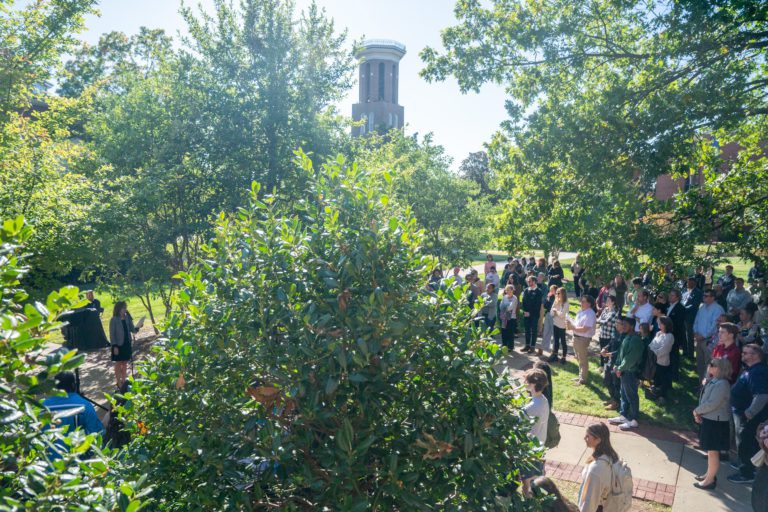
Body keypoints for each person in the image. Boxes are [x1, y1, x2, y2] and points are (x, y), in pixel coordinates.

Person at [728, 343, 768, 484]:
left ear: (755, 356)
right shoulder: (751, 369)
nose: (742, 355)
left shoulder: (757, 372)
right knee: (744, 442)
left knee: (746, 443)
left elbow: (762, 396)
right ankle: (743, 463)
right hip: (743, 413)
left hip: (750, 417)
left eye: (745, 353)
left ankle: (746, 473)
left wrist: (748, 414)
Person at [692, 357, 733, 490]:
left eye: (712, 364)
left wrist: (697, 411)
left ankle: (709, 481)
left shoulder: (722, 384)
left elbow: (713, 403)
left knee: (713, 452)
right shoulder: (714, 381)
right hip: (711, 420)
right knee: (710, 451)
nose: (709, 366)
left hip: (716, 423)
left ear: (720, 368)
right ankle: (709, 474)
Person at [42, 371, 104, 457]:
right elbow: (96, 434)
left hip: (48, 462)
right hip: (76, 460)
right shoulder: (84, 405)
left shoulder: (43, 406)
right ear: (74, 385)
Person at [609, 316, 643, 430]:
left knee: (631, 396)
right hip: (624, 371)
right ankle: (623, 416)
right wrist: (617, 365)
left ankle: (633, 420)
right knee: (623, 394)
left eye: (625, 325)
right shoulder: (627, 337)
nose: (622, 326)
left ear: (632, 326)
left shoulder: (636, 340)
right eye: (622, 324)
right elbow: (621, 354)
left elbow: (630, 359)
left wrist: (620, 368)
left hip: (630, 373)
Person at [577, 422, 619, 512]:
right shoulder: (610, 455)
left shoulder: (595, 470)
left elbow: (590, 501)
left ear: (598, 440)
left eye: (588, 436)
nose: (584, 438)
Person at [522, 368, 550, 495]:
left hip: (529, 448)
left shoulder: (531, 407)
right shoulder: (543, 400)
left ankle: (528, 502)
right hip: (539, 445)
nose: (524, 383)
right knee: (537, 479)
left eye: (526, 381)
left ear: (533, 384)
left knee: (527, 484)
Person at [693, 290, 726, 377]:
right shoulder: (702, 307)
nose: (704, 297)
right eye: (703, 295)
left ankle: (708, 383)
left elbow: (714, 326)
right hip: (698, 339)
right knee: (700, 363)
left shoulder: (718, 309)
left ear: (713, 298)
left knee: (709, 364)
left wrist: (703, 336)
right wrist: (695, 332)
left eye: (706, 296)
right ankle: (701, 382)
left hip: (709, 340)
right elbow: (696, 320)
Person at [566, 295, 597, 385]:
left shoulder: (590, 314)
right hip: (576, 337)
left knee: (583, 359)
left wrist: (572, 327)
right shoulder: (580, 312)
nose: (581, 303)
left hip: (583, 339)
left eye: (583, 301)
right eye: (581, 301)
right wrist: (570, 322)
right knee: (578, 358)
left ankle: (583, 379)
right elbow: (576, 324)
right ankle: (581, 376)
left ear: (589, 304)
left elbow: (585, 329)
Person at [109, 301, 139, 389]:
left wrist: (138, 327)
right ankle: (118, 382)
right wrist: (114, 346)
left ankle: (123, 381)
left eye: (126, 308)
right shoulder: (114, 319)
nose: (125, 310)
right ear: (118, 309)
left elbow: (132, 329)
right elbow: (112, 334)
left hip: (127, 343)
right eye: (123, 308)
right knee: (118, 363)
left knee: (125, 362)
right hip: (118, 345)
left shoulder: (127, 317)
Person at [601, 316, 626, 411]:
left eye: (618, 323)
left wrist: (609, 354)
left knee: (616, 383)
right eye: (616, 323)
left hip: (618, 362)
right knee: (607, 380)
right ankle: (612, 398)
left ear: (623, 325)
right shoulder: (615, 332)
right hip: (610, 360)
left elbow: (621, 351)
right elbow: (611, 342)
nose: (616, 325)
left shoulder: (625, 336)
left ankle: (616, 402)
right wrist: (605, 348)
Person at [648, 316, 674, 401]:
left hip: (663, 362)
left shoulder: (670, 336)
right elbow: (651, 345)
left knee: (663, 380)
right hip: (654, 361)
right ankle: (655, 394)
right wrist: (654, 350)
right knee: (656, 379)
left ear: (666, 324)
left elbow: (664, 349)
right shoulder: (658, 333)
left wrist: (654, 351)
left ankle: (662, 396)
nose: (658, 324)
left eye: (660, 323)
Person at [666, 289, 686, 381]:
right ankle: (669, 372)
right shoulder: (669, 305)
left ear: (677, 297)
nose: (670, 297)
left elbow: (678, 324)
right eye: (670, 295)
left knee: (674, 355)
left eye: (672, 295)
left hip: (675, 335)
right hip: (668, 334)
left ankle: (674, 375)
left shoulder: (680, 308)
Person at [682, 277, 703, 358]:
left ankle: (690, 354)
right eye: (687, 282)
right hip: (683, 315)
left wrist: (683, 309)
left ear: (694, 283)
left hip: (690, 316)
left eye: (689, 282)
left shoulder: (698, 292)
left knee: (689, 335)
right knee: (683, 334)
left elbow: (694, 305)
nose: (687, 284)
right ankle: (685, 351)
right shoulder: (685, 290)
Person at [522, 276, 544, 354]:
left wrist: (530, 313)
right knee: (527, 330)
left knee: (534, 331)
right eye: (528, 281)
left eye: (530, 281)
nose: (528, 282)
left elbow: (537, 305)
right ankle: (527, 345)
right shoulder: (526, 290)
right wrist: (525, 311)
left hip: (534, 314)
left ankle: (532, 347)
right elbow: (523, 301)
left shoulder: (539, 291)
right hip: (526, 314)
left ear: (534, 282)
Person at [596, 295, 618, 369]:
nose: (606, 301)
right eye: (607, 300)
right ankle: (602, 366)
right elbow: (599, 319)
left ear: (613, 302)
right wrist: (599, 321)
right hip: (602, 334)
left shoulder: (614, 312)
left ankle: (606, 368)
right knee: (601, 351)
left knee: (607, 353)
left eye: (608, 300)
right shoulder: (605, 309)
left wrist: (599, 321)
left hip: (609, 336)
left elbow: (605, 322)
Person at [550, 287, 569, 363]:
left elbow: (562, 315)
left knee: (563, 341)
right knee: (556, 340)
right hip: (555, 323)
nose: (557, 294)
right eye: (556, 293)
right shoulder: (556, 301)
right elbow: (551, 313)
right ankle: (555, 355)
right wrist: (555, 311)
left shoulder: (566, 303)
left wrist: (556, 311)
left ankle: (564, 357)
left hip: (562, 325)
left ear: (563, 294)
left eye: (558, 293)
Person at [499, 284, 519, 350]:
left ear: (512, 290)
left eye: (509, 290)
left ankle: (510, 346)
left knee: (510, 332)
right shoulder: (504, 297)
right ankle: (504, 345)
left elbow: (510, 307)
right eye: (507, 290)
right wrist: (505, 308)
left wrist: (505, 307)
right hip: (504, 317)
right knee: (504, 331)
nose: (508, 291)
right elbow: (501, 306)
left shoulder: (514, 298)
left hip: (511, 317)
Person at [541, 285, 557, 355]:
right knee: (546, 331)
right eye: (550, 290)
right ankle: (544, 347)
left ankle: (554, 349)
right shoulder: (550, 297)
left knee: (554, 333)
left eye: (552, 290)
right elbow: (545, 305)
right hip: (548, 314)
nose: (550, 291)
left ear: (555, 290)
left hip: (554, 316)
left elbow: (553, 307)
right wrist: (547, 297)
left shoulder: (558, 298)